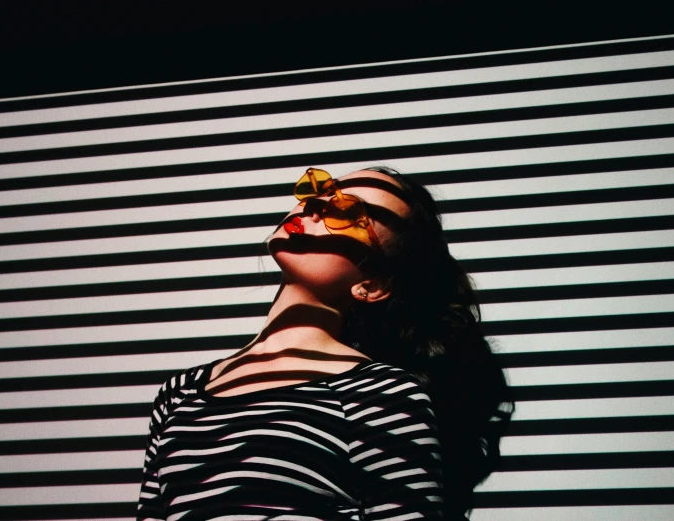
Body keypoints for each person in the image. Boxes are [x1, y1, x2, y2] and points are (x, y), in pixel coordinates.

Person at [137, 166, 514, 520]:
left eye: (348, 211)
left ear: (372, 284)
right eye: (323, 190)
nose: (316, 206)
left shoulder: (378, 392)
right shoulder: (179, 393)